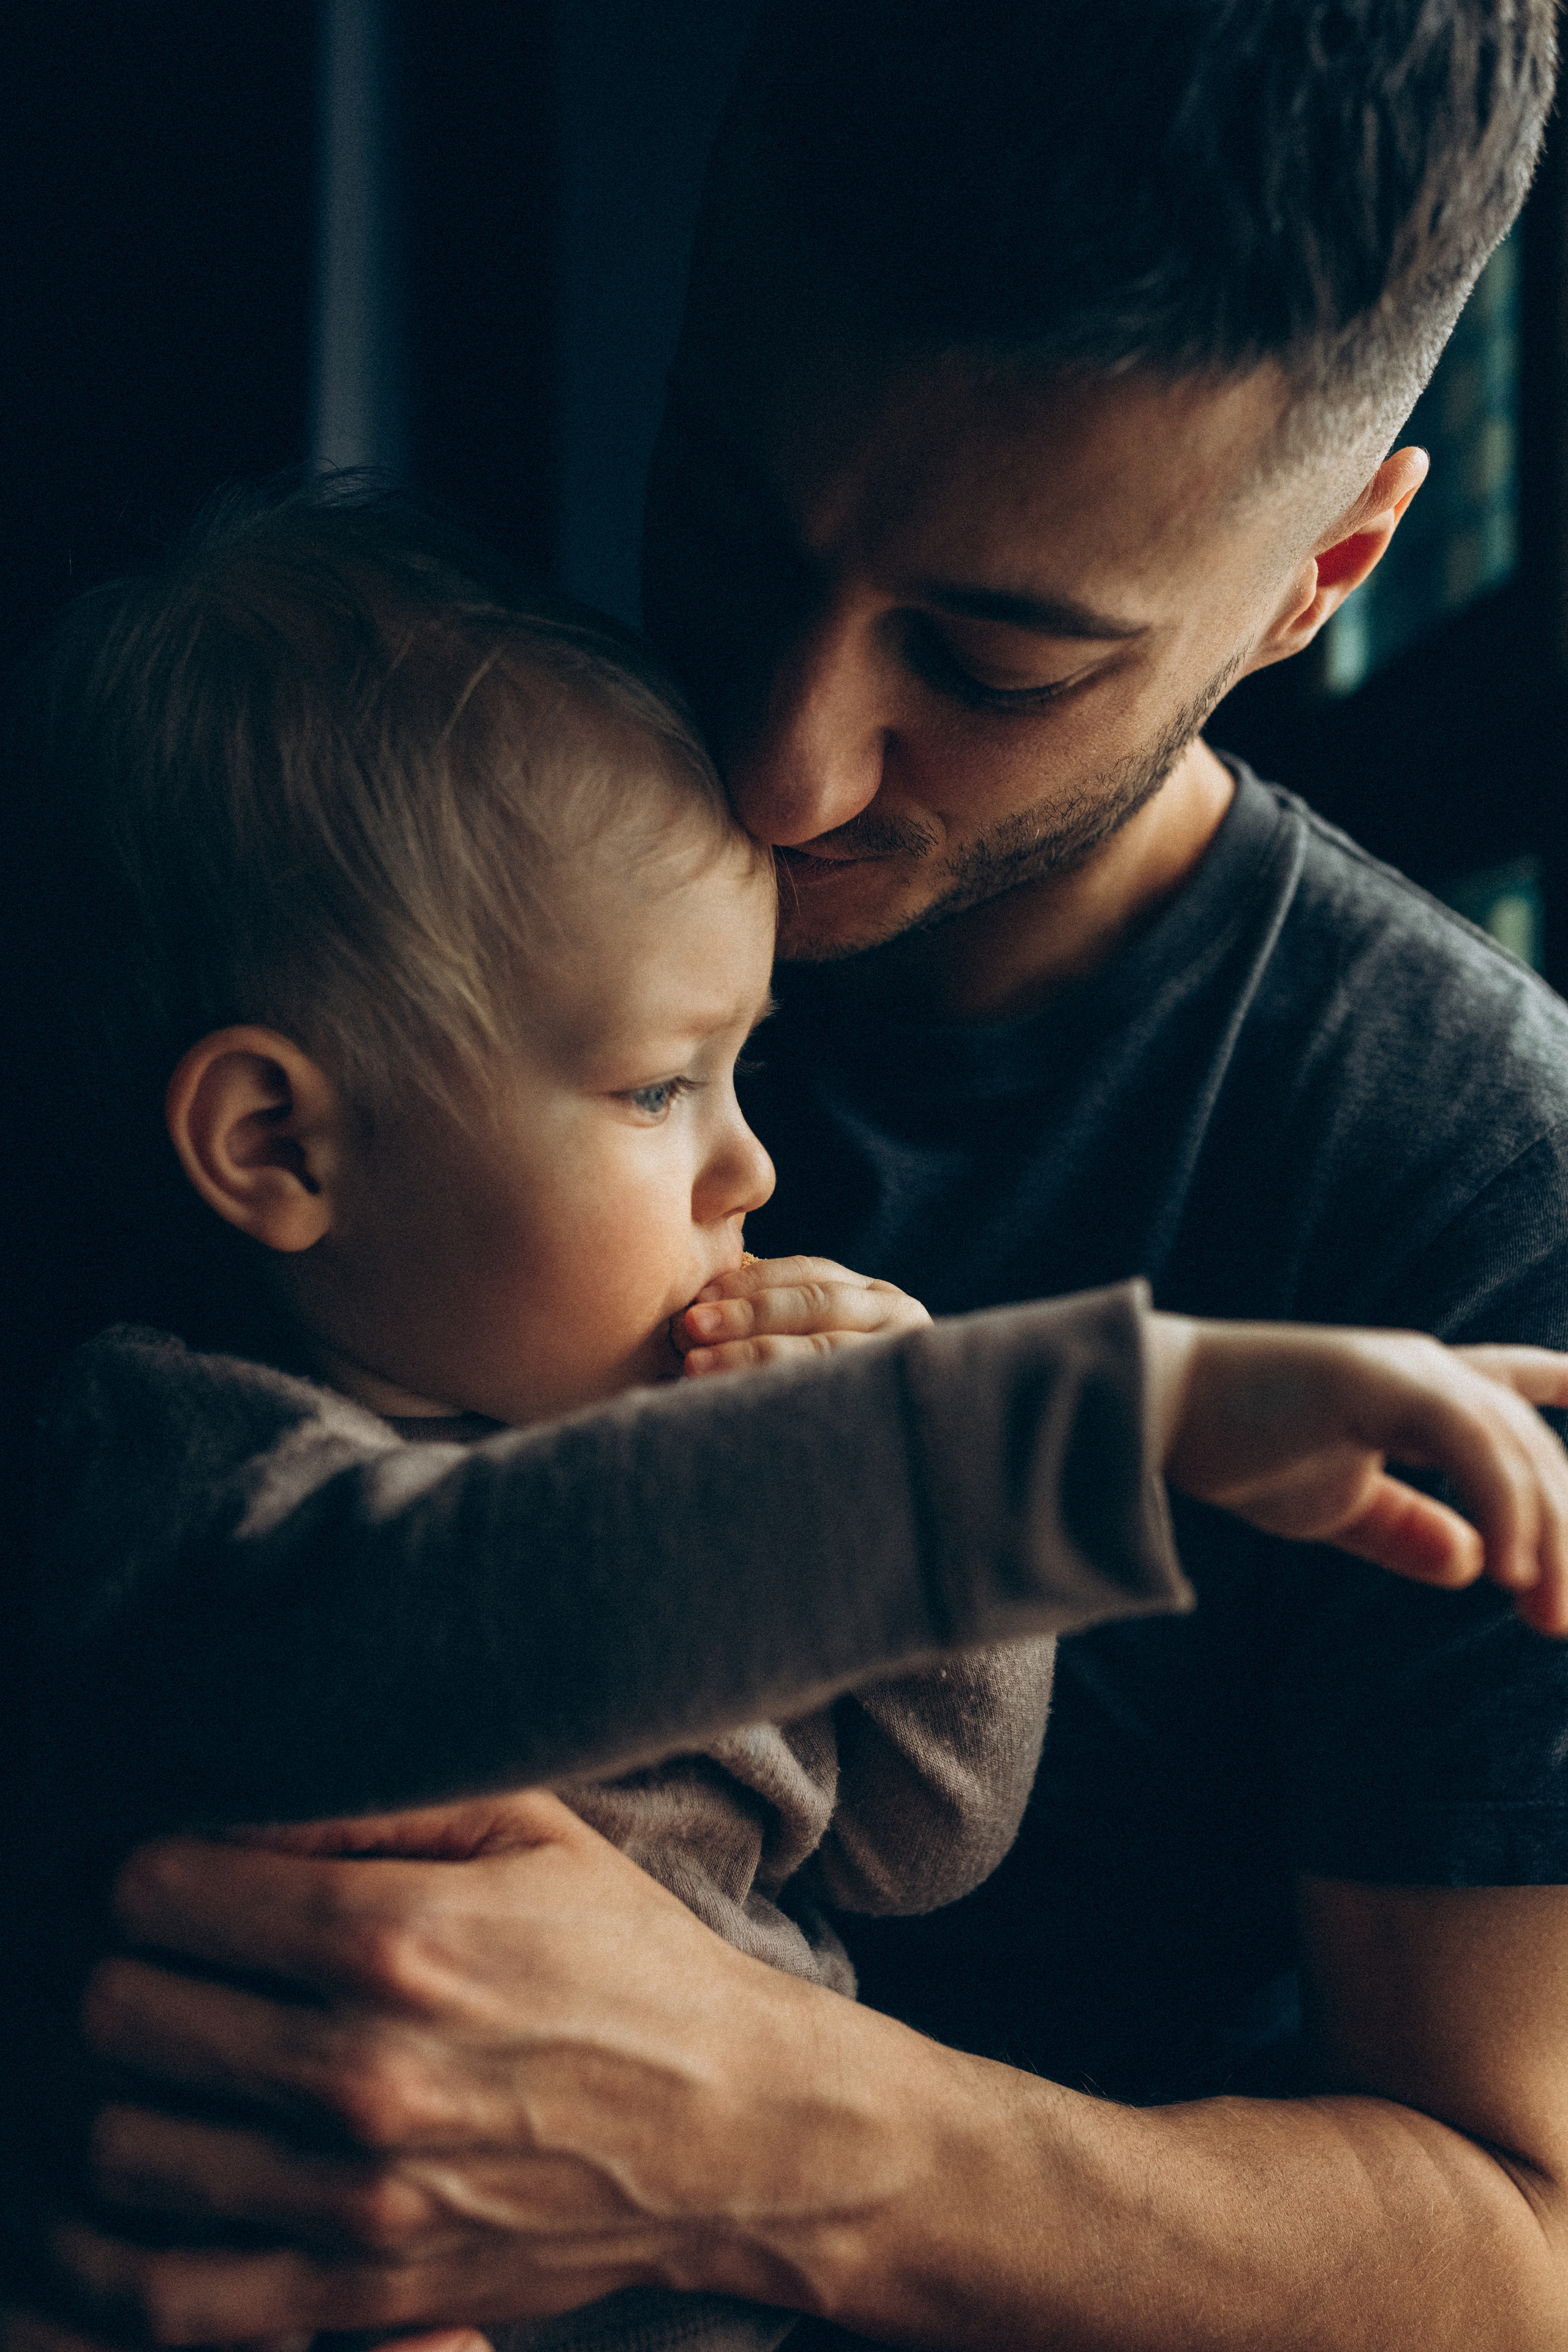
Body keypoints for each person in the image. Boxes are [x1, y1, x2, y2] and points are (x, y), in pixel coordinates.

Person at [19, 1, 1568, 2347]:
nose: (775, 757)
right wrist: (1067, 1441)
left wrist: (757, 2126)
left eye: (986, 654)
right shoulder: (375, 838)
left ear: (1320, 579)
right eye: (722, 516)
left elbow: (1520, 2256)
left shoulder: (1475, 1183)